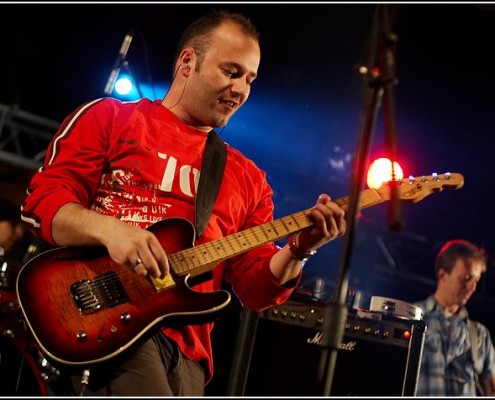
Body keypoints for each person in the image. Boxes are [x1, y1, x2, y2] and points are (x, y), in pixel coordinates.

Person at [19, 10, 347, 397]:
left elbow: (256, 289)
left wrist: (299, 249)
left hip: (189, 356)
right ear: (188, 62)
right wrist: (112, 231)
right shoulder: (110, 117)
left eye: (250, 79)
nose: (241, 89)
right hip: (102, 322)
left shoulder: (249, 179)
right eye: (231, 71)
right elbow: (41, 203)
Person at [415, 239, 495, 396]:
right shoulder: (411, 319)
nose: (472, 287)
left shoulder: (480, 334)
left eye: (476, 280)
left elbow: (491, 390)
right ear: (443, 274)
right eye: (466, 278)